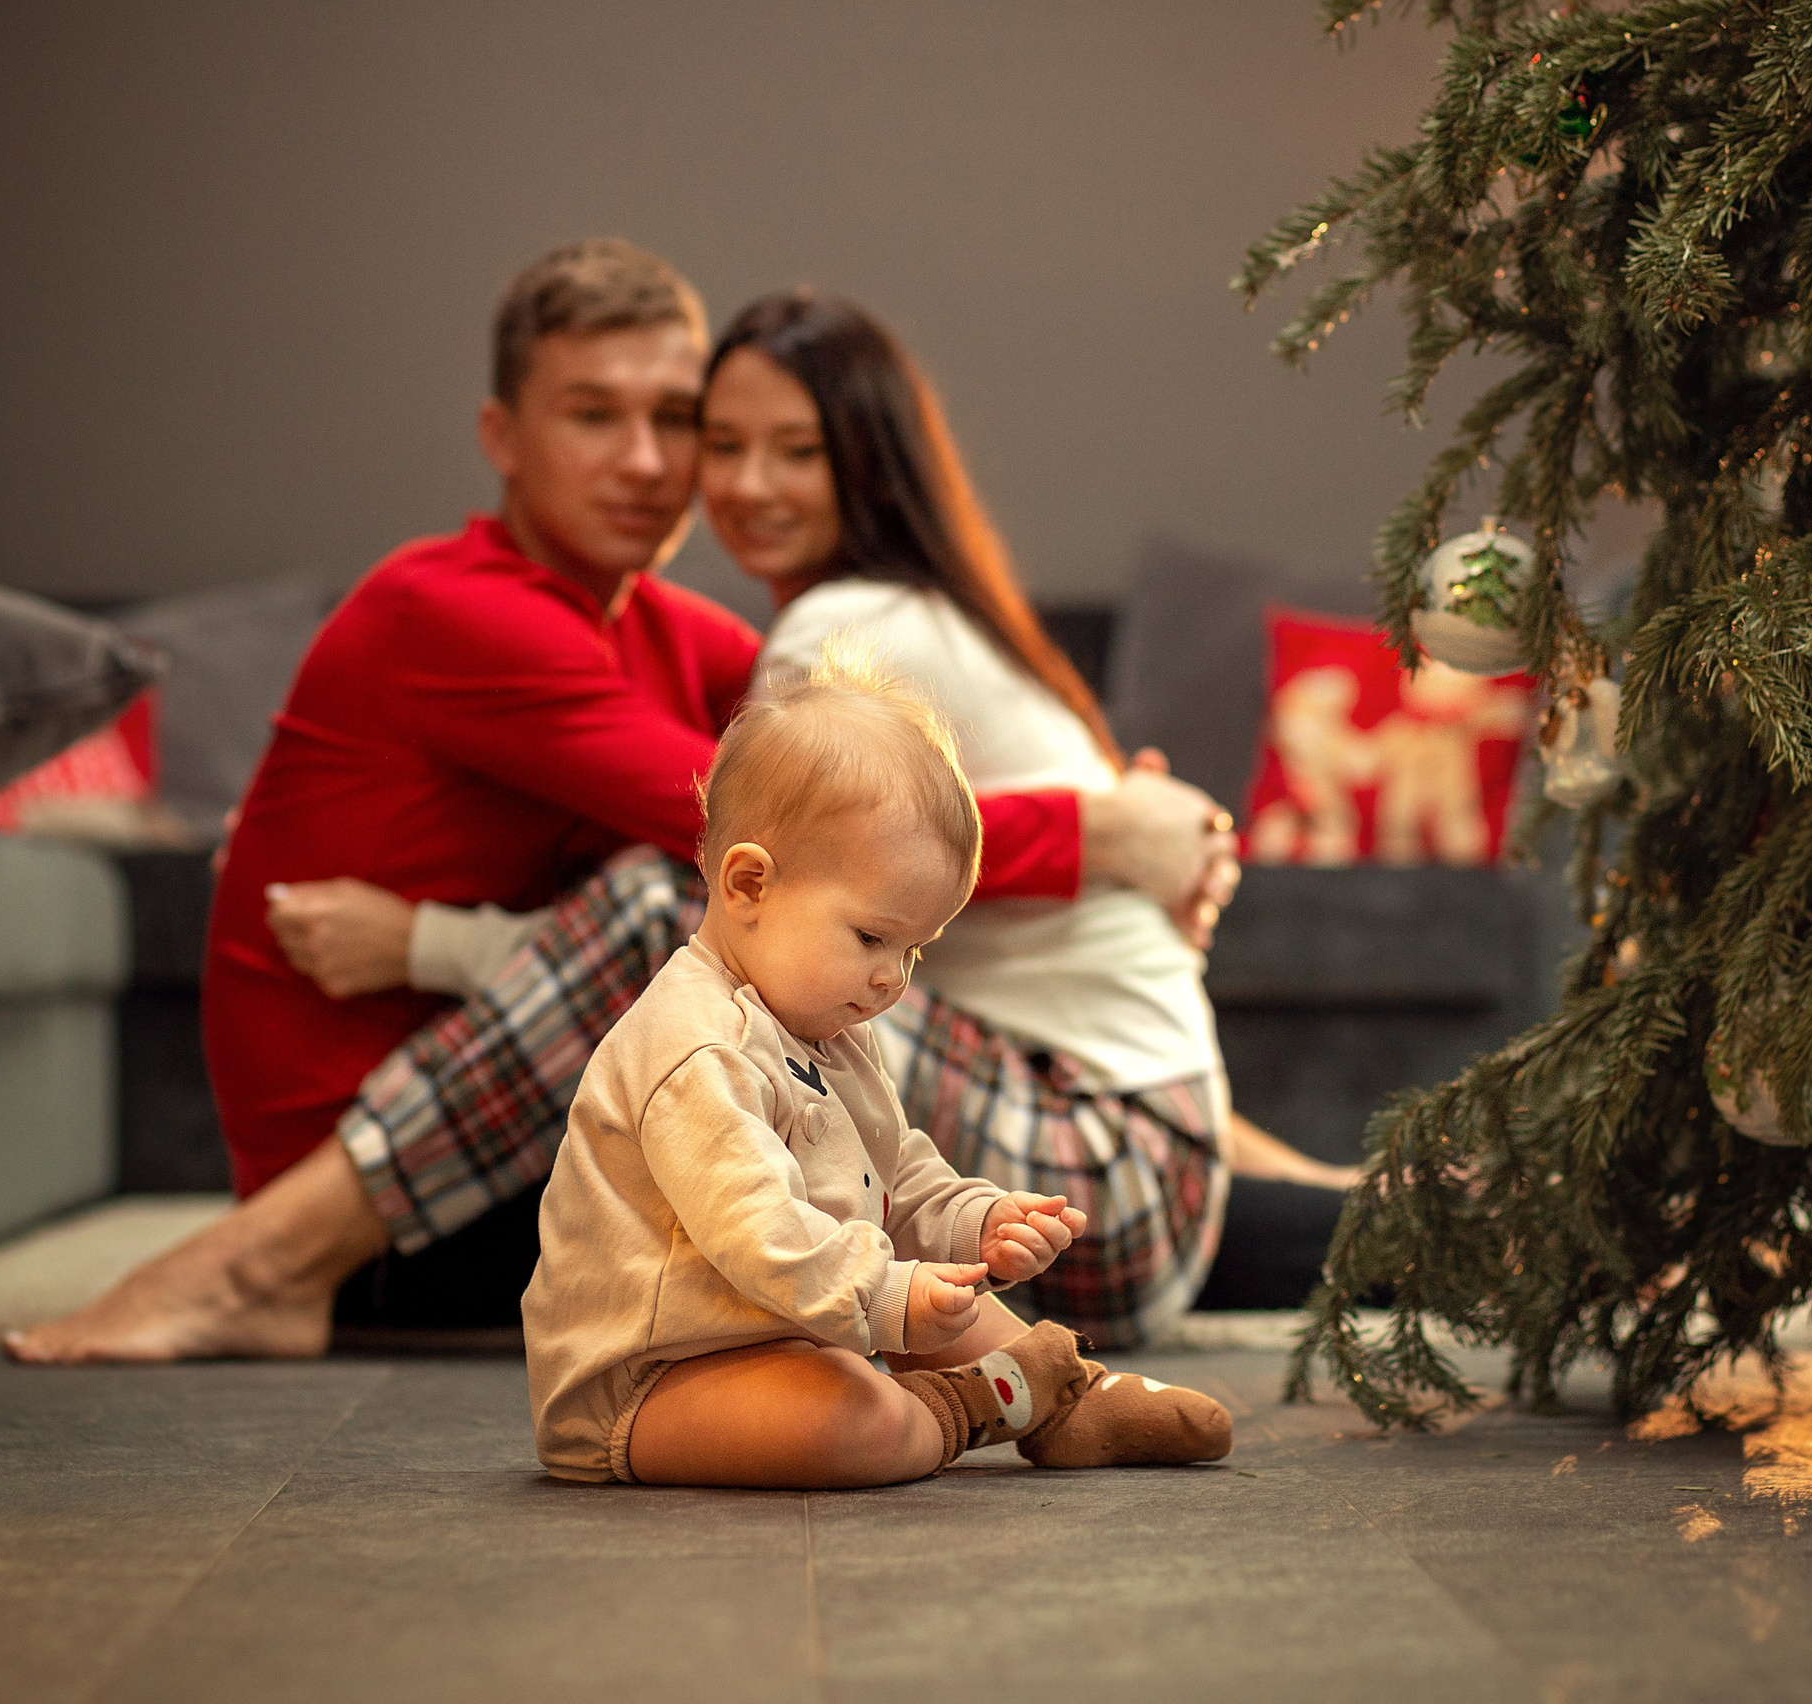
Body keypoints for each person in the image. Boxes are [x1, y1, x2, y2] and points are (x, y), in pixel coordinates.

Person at [5, 238, 1239, 1364]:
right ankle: (255, 1267)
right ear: (501, 432)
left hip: (545, 1154)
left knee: (733, 930)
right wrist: (1107, 836)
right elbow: (747, 836)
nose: (650, 463)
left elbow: (836, 827)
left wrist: (1126, 839)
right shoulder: (450, 609)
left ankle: (1311, 1202)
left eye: (673, 419)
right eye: (594, 416)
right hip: (387, 1211)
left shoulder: (674, 632)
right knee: (695, 916)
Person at [254, 288, 1362, 1352]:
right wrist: (1111, 829)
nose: (743, 484)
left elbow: (675, 925)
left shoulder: (844, 632)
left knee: (686, 936)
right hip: (1115, 1163)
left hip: (1093, 1175)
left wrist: (420, 943)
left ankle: (266, 1264)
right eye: (721, 442)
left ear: (868, 459)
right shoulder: (900, 611)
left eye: (796, 449)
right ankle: (1400, 1213)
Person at [529, 647, 1230, 1486]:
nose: (892, 977)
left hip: (793, 1328)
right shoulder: (697, 1050)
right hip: (651, 1384)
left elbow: (894, 1174)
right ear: (748, 884)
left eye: (915, 950)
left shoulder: (825, 1025)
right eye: (871, 938)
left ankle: (1068, 1396)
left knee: (952, 1303)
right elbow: (765, 1238)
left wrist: (979, 1223)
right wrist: (894, 1298)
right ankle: (964, 1408)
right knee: (851, 1419)